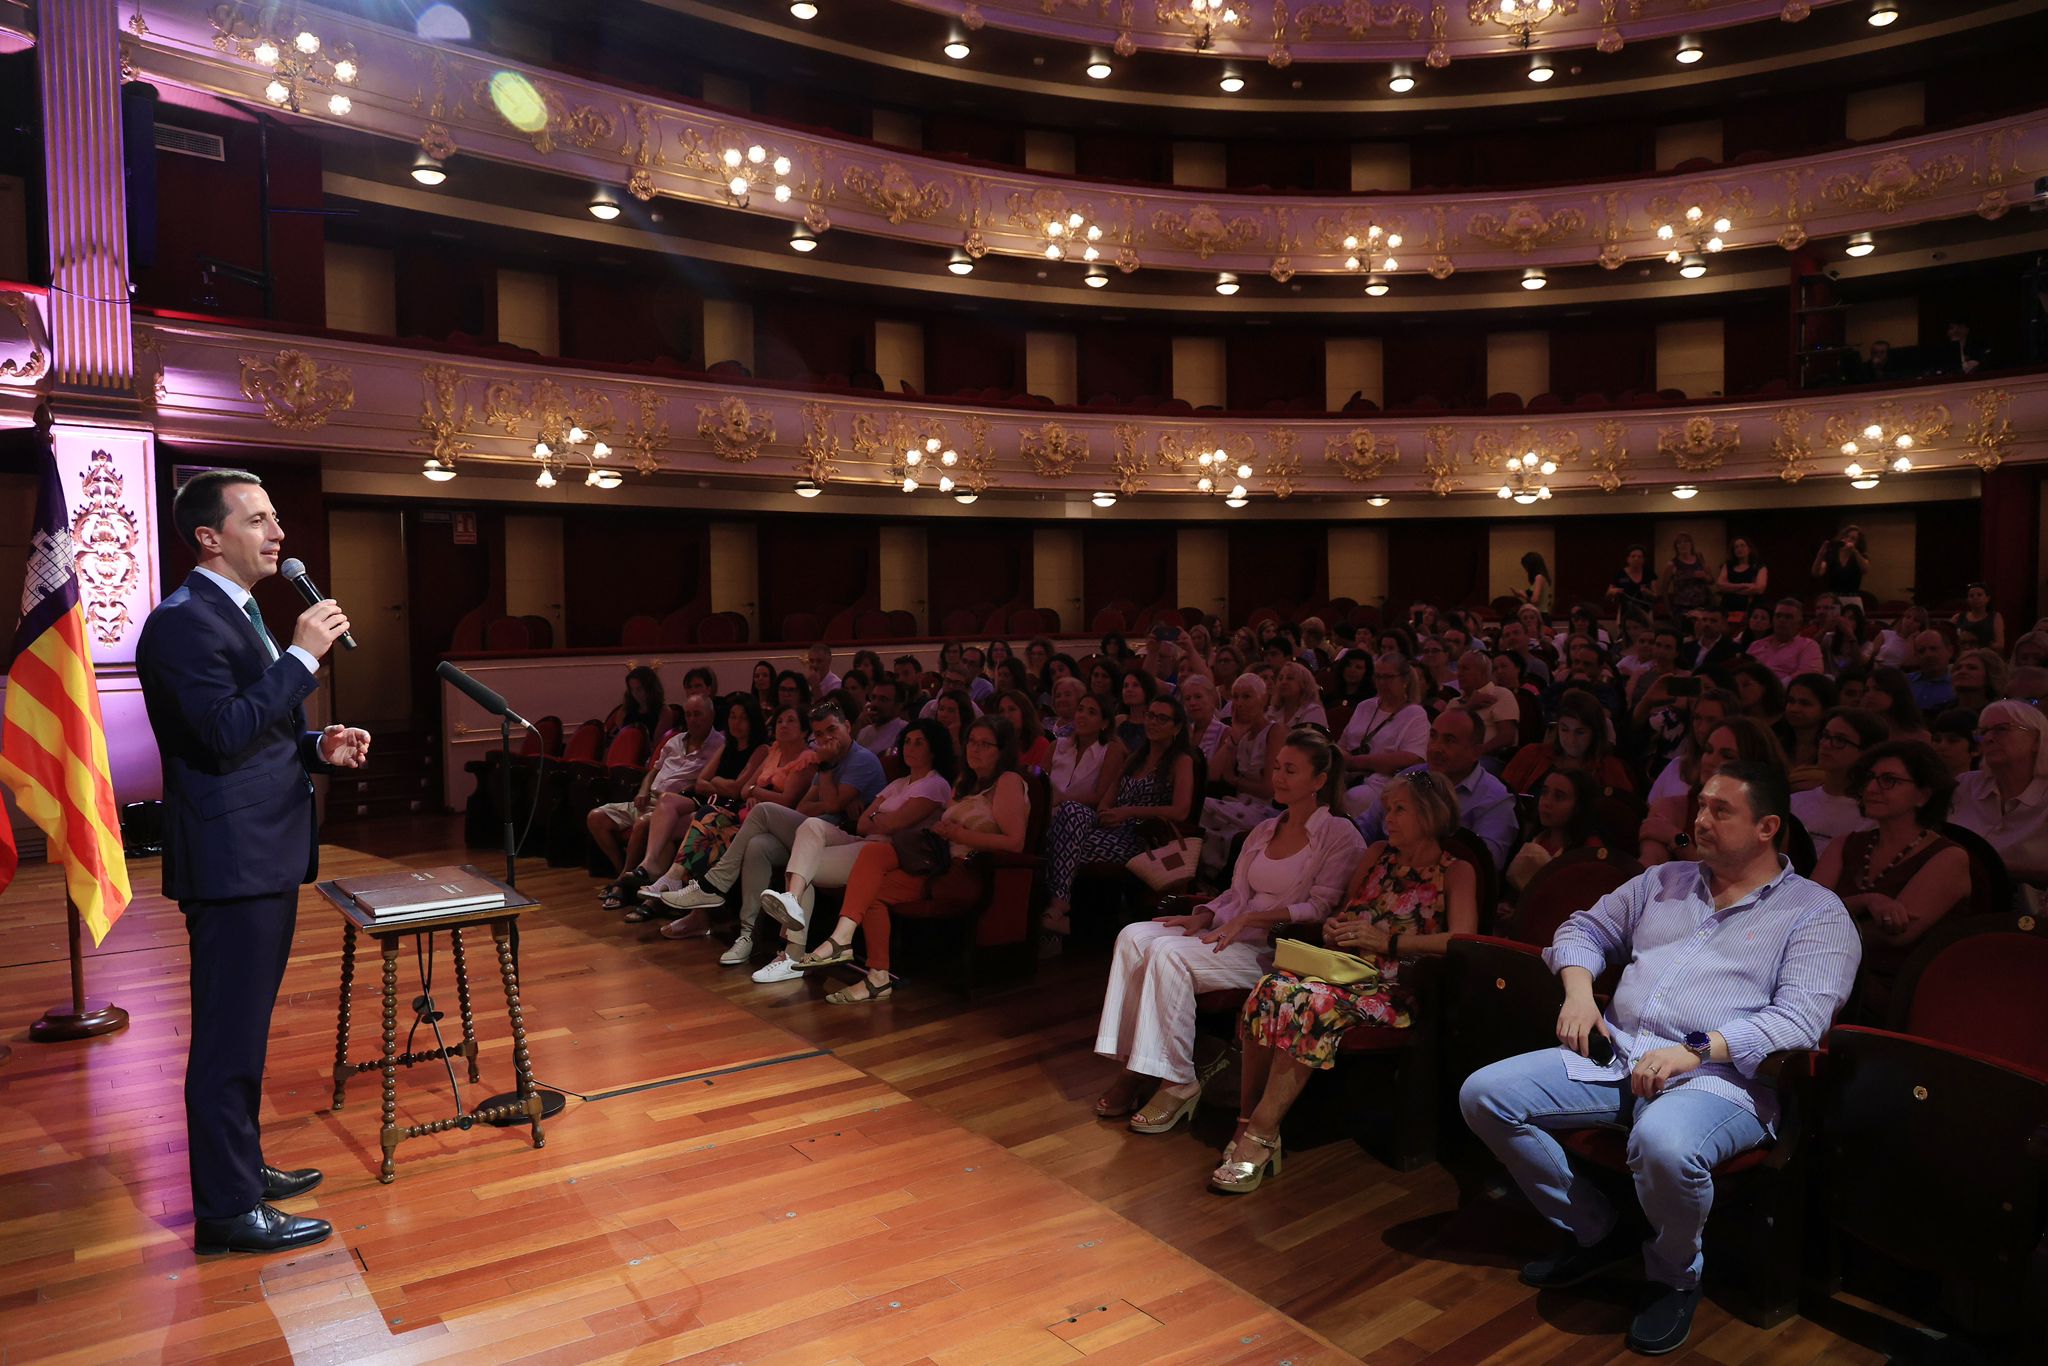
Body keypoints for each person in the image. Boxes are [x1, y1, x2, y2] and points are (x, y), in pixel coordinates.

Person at [1460, 760, 1859, 1356]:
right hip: (1620, 1053)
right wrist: (1576, 995)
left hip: (1722, 1080)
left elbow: (1798, 1022)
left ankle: (1675, 1274)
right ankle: (1597, 1230)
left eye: (1721, 810)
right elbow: (1582, 930)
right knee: (1484, 1095)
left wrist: (1694, 1052)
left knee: (1665, 1144)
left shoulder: (1815, 913)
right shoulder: (1663, 881)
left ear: (1767, 826)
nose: (1700, 819)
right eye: (1700, 805)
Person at [136, 469, 370, 1256]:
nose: (278, 534)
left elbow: (258, 734)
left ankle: (242, 1167)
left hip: (263, 848)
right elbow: (220, 732)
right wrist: (302, 658)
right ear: (210, 536)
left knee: (247, 1031)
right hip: (233, 858)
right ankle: (228, 1211)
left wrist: (316, 746)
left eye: (276, 519)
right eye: (259, 520)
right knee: (227, 1039)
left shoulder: (237, 612)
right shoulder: (180, 623)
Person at [1092, 728, 1365, 1136]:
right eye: (1276, 768)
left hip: (1275, 948)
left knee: (1169, 955)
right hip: (1232, 934)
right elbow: (1236, 894)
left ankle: (1177, 1079)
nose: (1279, 777)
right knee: (1134, 935)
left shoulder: (1338, 835)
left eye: (1291, 770)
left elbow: (1319, 908)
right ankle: (1137, 1065)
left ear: (1320, 781)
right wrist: (1204, 914)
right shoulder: (1263, 831)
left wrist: (1250, 921)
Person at [1218, 770, 1475, 1192]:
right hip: (1342, 972)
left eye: (1400, 809)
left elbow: (1461, 941)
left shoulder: (1456, 870)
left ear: (1430, 815)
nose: (1387, 818)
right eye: (1387, 808)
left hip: (1393, 989)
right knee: (1270, 989)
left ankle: (1261, 1136)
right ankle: (1247, 1121)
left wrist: (1390, 941)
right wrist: (1337, 926)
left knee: (1309, 1002)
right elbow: (1342, 909)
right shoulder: (1377, 854)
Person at [791, 716, 1033, 1002]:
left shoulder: (1008, 781)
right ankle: (876, 975)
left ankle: (842, 939)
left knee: (874, 855)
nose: (975, 749)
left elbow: (1015, 843)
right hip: (939, 864)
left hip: (968, 873)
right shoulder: (964, 783)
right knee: (871, 884)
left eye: (985, 744)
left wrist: (959, 833)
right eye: (971, 742)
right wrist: (945, 831)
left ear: (1002, 750)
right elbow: (865, 825)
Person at [656, 704, 886, 979]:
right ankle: (746, 936)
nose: (826, 739)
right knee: (759, 846)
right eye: (819, 734)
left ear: (848, 726)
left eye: (831, 730)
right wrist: (827, 798)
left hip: (844, 841)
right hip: (814, 833)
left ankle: (714, 885)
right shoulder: (827, 757)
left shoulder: (860, 759)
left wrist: (825, 771)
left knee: (763, 811)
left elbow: (831, 804)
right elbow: (805, 805)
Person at [1813, 741, 1968, 1016]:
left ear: (1923, 795)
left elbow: (1896, 936)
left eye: (1889, 781)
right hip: (1828, 971)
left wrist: (1825, 929)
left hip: (1896, 990)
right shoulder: (1844, 844)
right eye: (1870, 779)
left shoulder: (1949, 857)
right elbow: (1805, 913)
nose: (1872, 789)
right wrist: (1867, 900)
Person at [1043, 693, 1198, 940]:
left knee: (1057, 842)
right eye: (1150, 716)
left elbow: (1180, 811)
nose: (1153, 722)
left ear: (1176, 727)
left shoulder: (1181, 761)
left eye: (1162, 718)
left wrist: (1128, 812)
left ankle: (1060, 911)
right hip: (1110, 827)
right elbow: (1105, 801)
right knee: (1070, 811)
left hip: (1141, 837)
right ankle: (1062, 907)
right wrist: (1107, 814)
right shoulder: (1135, 758)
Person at [652, 702, 813, 939]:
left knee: (715, 832)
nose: (784, 725)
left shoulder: (806, 759)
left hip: (775, 826)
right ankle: (677, 881)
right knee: (708, 817)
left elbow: (785, 799)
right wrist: (753, 791)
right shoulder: (774, 751)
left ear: (804, 731)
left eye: (791, 721)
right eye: (780, 721)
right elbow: (745, 789)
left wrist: (756, 792)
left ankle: (697, 898)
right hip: (749, 816)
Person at [591, 695, 725, 908]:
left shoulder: (719, 746)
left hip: (675, 804)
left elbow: (705, 785)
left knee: (644, 822)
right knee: (596, 818)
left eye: (698, 714)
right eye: (689, 714)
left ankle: (622, 885)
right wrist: (643, 790)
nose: (693, 719)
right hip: (650, 797)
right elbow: (653, 771)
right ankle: (623, 873)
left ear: (711, 715)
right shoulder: (675, 740)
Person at [1357, 707, 1518, 870]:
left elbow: (1484, 868)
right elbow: (1365, 827)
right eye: (1433, 736)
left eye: (1449, 740)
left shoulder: (1494, 801)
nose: (1435, 748)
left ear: (1475, 752)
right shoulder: (1411, 777)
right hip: (1379, 877)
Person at [1639, 718, 1788, 865]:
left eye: (1727, 756)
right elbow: (1650, 869)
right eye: (1708, 750)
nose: (1710, 761)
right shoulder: (1671, 808)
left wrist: (1677, 839)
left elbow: (1743, 882)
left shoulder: (1768, 823)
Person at [1950, 700, 2048, 889]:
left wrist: (1988, 866)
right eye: (1983, 732)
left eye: (2001, 729)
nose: (1988, 738)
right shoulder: (1964, 786)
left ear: (2037, 740)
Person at [1201, 674, 1278, 874]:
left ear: (1263, 699)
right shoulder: (1241, 734)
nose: (1239, 703)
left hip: (1264, 809)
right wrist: (1233, 740)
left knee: (1201, 806)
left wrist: (1236, 781)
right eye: (1235, 697)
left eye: (1247, 697)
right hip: (1239, 803)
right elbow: (1218, 775)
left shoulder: (1275, 732)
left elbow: (1268, 788)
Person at [1338, 652, 1430, 810]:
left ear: (1405, 680)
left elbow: (1412, 759)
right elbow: (1342, 744)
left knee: (1353, 799)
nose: (1382, 683)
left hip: (1383, 783)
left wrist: (1356, 762)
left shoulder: (1415, 714)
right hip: (1346, 775)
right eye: (1378, 677)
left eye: (1388, 677)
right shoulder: (1365, 706)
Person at [1789, 708, 1885, 859]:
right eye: (1825, 736)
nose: (1826, 744)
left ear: (1866, 752)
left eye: (1840, 740)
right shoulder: (1794, 802)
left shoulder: (1873, 815)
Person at [1503, 688, 1634, 797]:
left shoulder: (1609, 768)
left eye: (1580, 732)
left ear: (1595, 733)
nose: (1571, 740)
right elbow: (1502, 797)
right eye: (1564, 730)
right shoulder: (1532, 754)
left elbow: (1622, 815)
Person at [1506, 767, 1606, 897]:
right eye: (1544, 793)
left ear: (1579, 806)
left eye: (1558, 797)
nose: (1546, 802)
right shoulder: (1536, 838)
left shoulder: (1589, 850)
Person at [1774, 673, 1837, 793]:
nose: (1794, 709)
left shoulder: (1831, 751)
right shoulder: (1776, 744)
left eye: (1805, 703)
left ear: (1825, 710)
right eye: (1791, 701)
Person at [1050, 693, 1113, 806]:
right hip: (1048, 809)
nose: (1082, 715)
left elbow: (1100, 796)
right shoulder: (1056, 745)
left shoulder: (1109, 750)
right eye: (1080, 710)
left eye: (1091, 712)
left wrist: (1063, 799)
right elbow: (1038, 775)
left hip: (1081, 813)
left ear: (1104, 723)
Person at [1746, 599, 1823, 683]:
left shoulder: (1808, 646)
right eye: (1778, 616)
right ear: (1773, 620)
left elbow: (1810, 675)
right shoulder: (1756, 645)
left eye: (1788, 617)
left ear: (1800, 623)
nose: (1782, 620)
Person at [1811, 526, 1870, 607]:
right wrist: (1820, 555)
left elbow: (1865, 570)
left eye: (1853, 538)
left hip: (1852, 598)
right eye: (1846, 536)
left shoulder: (1861, 555)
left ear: (1858, 542)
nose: (1848, 539)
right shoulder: (1832, 554)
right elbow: (1816, 573)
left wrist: (1854, 551)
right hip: (1832, 599)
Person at [995, 688, 1053, 770]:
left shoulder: (1040, 744)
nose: (1006, 716)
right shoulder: (996, 744)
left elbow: (1038, 777)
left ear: (1025, 712)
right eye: (1001, 711)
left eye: (1012, 709)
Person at [1606, 545, 1658, 626]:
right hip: (1625, 612)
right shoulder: (1620, 574)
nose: (1636, 559)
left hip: (1644, 612)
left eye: (1639, 557)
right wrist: (1614, 591)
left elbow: (1656, 596)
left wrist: (1647, 592)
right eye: (1633, 556)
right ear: (1628, 559)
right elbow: (1608, 594)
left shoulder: (1649, 574)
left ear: (1643, 559)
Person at [856, 676, 907, 759]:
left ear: (898, 706)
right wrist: (857, 727)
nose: (875, 704)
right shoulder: (864, 730)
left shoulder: (904, 731)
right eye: (874, 697)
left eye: (883, 700)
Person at [1663, 534, 1713, 618]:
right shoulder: (1672, 565)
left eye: (1686, 541)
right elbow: (1664, 589)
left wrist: (1704, 576)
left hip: (1703, 607)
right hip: (1682, 609)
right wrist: (1668, 611)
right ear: (1676, 547)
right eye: (1679, 543)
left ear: (1691, 544)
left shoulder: (1700, 559)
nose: (1683, 544)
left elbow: (1711, 581)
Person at [1907, 631, 1957, 713]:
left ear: (1950, 651)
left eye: (1934, 649)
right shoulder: (1905, 683)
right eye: (1921, 651)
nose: (1928, 655)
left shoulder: (1959, 684)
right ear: (1915, 656)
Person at [1715, 537, 1768, 613]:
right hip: (1728, 607)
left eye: (1742, 545)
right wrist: (1744, 585)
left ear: (1749, 549)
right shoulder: (1728, 565)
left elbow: (1759, 589)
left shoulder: (1759, 566)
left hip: (1750, 608)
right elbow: (1720, 585)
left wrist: (1730, 588)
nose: (1739, 549)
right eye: (1736, 547)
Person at [1180, 674, 1226, 759]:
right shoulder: (1183, 734)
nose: (1192, 703)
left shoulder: (1224, 733)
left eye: (1198, 697)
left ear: (1212, 698)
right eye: (1187, 698)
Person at [1951, 648, 2005, 714]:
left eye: (1972, 668)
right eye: (1958, 668)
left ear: (1990, 675)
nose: (1962, 671)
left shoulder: (1999, 713)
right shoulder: (1940, 712)